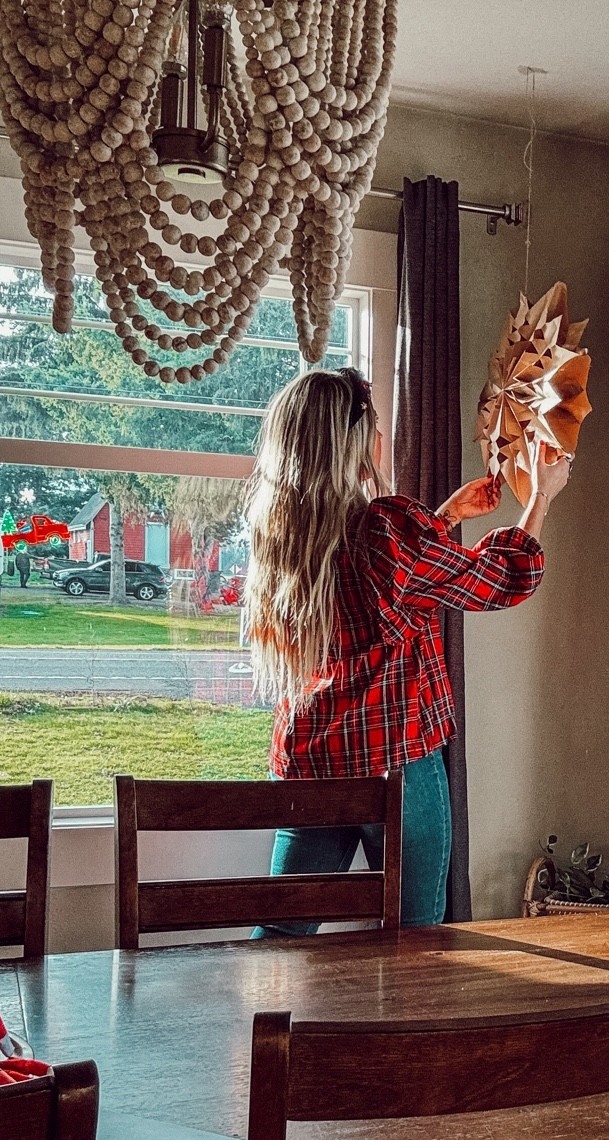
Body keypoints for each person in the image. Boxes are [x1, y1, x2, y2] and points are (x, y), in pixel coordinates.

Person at [241, 365, 569, 927]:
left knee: (281, 930)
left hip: (313, 761)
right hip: (395, 762)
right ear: (351, 441)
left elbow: (383, 592)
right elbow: (499, 579)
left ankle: (260, 1018)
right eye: (370, 427)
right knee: (416, 937)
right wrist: (540, 496)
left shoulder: (279, 537)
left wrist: (446, 516)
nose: (378, 437)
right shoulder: (385, 528)